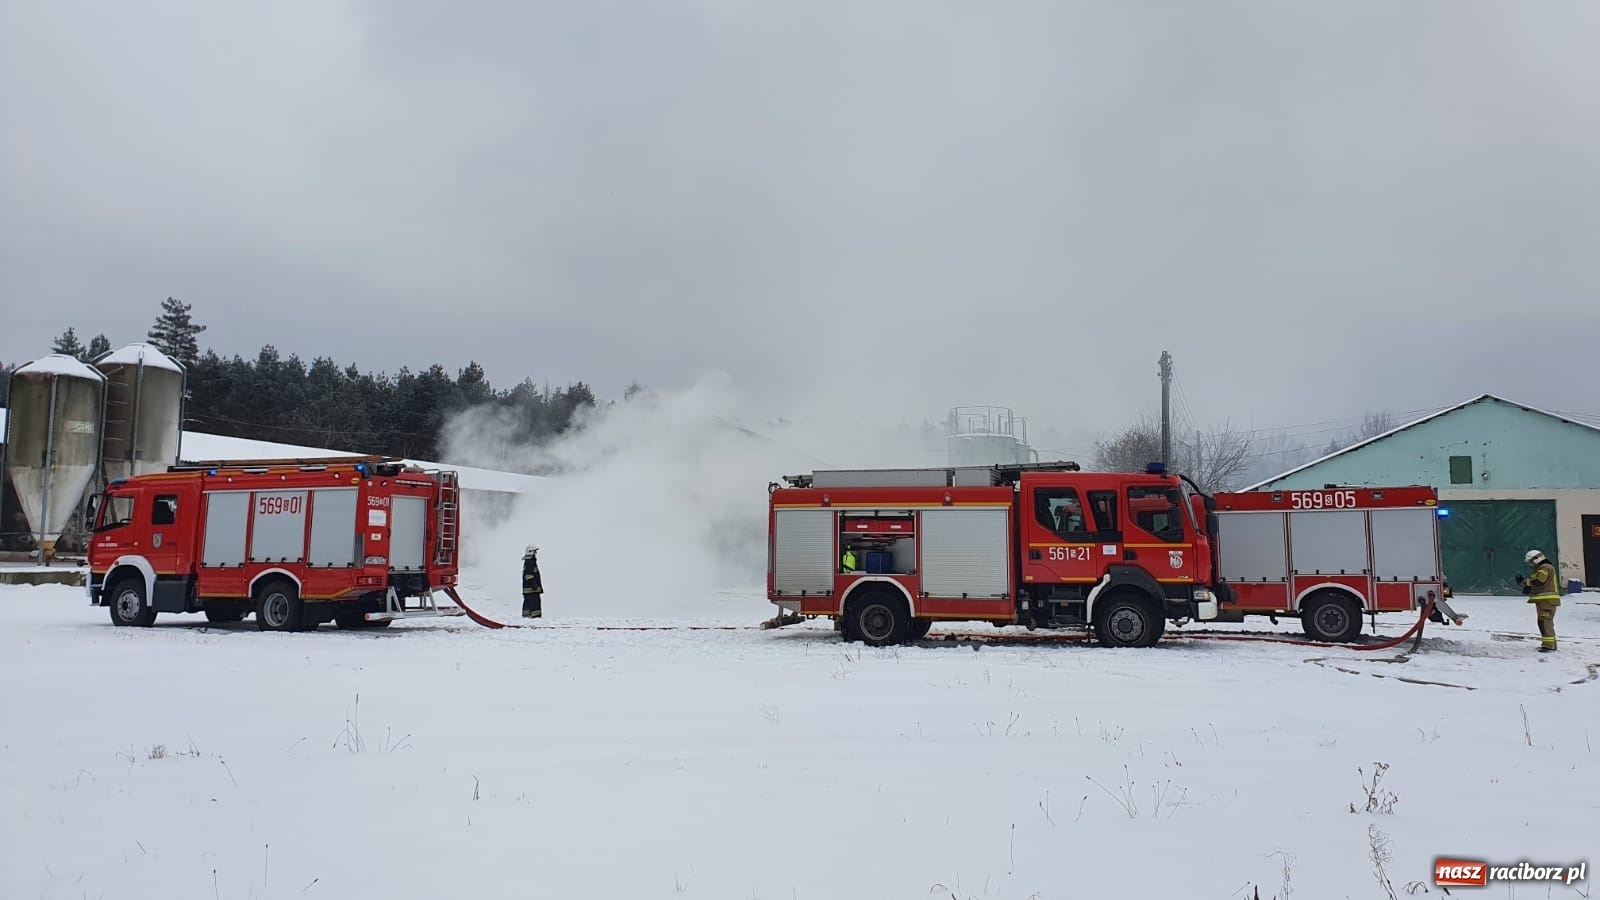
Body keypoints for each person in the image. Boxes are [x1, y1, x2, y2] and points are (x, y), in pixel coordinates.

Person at [1514, 549, 1560, 652]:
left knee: (1545, 622)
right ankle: (1549, 644)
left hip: (1547, 601)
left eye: (1531, 561)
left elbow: (1539, 581)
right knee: (1543, 622)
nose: (1531, 564)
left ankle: (1548, 646)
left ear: (1536, 559)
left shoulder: (1545, 568)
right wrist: (1525, 584)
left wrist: (1525, 582)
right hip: (1545, 601)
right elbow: (1537, 583)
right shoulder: (1543, 568)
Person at [521, 544, 543, 619]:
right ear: (531, 552)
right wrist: (533, 583)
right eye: (535, 552)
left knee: (528, 603)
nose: (535, 554)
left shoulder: (529, 561)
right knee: (534, 604)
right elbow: (528, 574)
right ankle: (535, 618)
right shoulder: (530, 562)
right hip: (531, 589)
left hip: (528, 589)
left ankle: (526, 617)